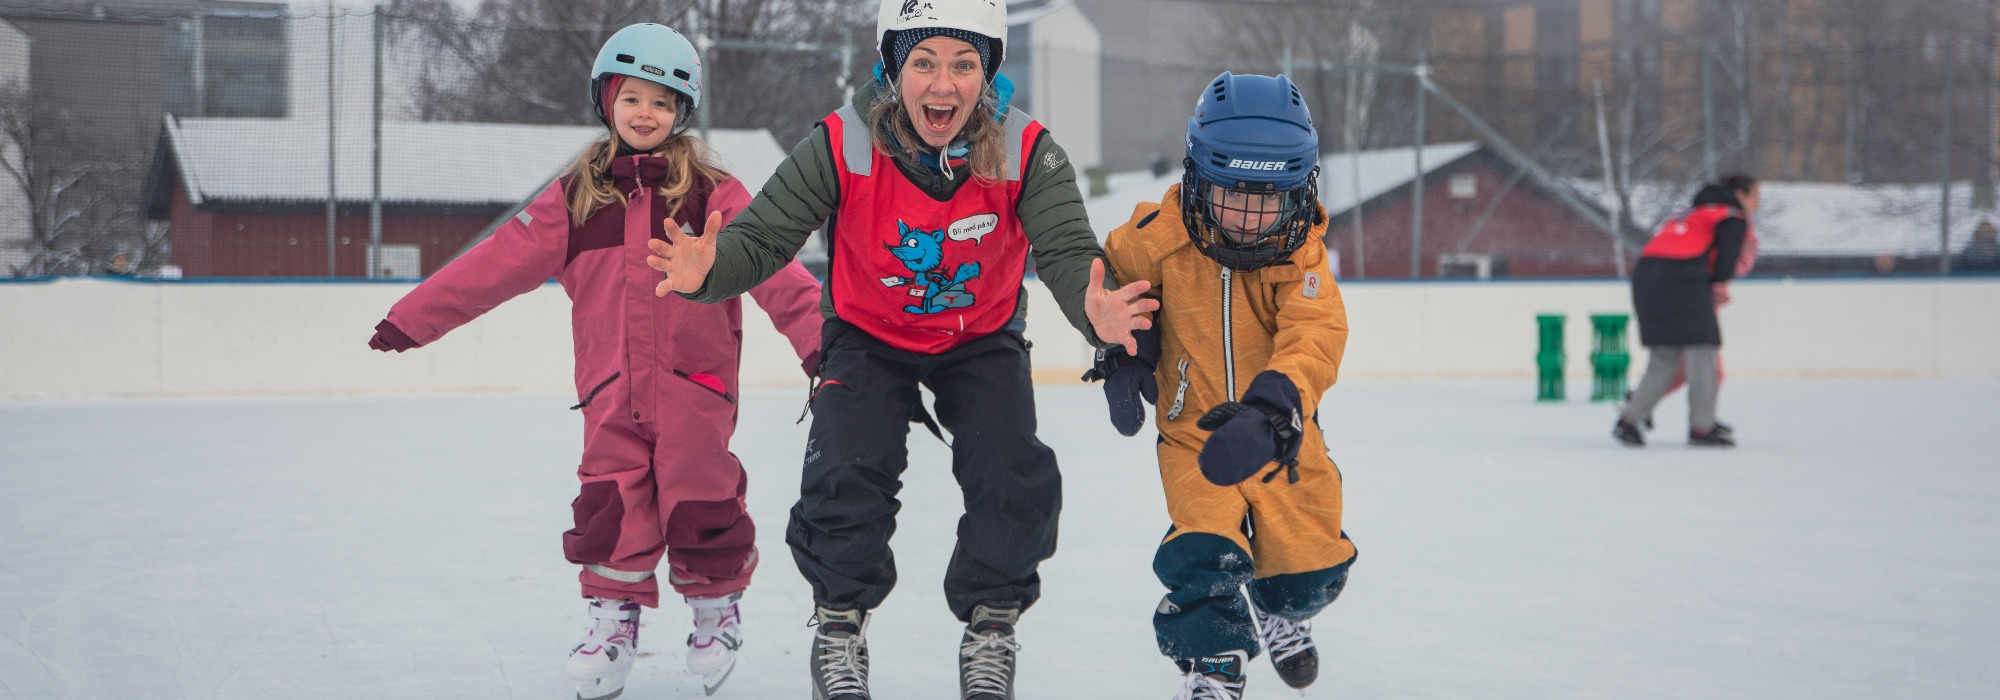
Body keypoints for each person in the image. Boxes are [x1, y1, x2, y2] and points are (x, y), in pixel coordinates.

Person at [644, 2, 1156, 697]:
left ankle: (991, 626)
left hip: (980, 337)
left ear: (988, 73)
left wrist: (1096, 311)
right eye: (924, 63)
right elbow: (762, 238)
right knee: (845, 472)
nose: (943, 85)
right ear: (892, 66)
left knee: (1012, 473)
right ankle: (839, 624)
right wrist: (711, 271)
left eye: (964, 64)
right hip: (867, 334)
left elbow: (1068, 251)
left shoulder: (1027, 148)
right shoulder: (842, 142)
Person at [363, 23, 823, 699]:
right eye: (632, 97)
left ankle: (714, 609)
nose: (646, 113)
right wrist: (413, 318)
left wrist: (822, 347)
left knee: (702, 498)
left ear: (681, 113)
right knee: (611, 504)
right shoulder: (578, 197)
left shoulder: (712, 195)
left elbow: (777, 270)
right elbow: (494, 263)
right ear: (607, 101)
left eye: (662, 102)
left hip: (696, 391)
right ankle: (612, 620)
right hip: (609, 390)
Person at [1090, 72, 1355, 700]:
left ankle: (1281, 609)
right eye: (1233, 194)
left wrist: (1273, 410)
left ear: (1300, 191)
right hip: (1192, 433)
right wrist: (1124, 355)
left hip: (1279, 431)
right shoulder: (1157, 237)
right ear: (1198, 177)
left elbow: (1315, 333)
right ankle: (1214, 668)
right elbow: (1113, 284)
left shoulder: (1301, 257)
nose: (1248, 218)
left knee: (1310, 568)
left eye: (1270, 199)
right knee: (1200, 554)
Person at [1614, 174, 1757, 448]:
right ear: (1739, 195)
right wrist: (1712, 285)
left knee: (1664, 355)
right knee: (1703, 350)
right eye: (1755, 197)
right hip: (1684, 276)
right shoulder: (1731, 216)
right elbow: (1726, 263)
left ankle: (1629, 421)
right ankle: (1702, 426)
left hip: (1646, 276)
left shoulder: (1689, 214)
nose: (1756, 205)